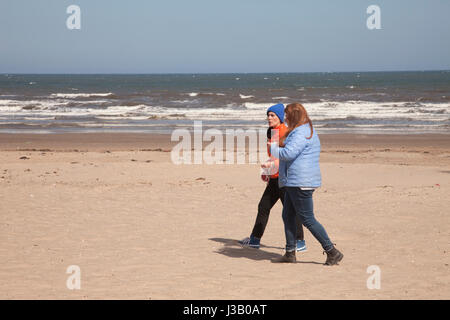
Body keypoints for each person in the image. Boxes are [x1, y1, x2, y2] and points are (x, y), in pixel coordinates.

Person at [269, 103, 343, 265]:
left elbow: (288, 154)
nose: (286, 118)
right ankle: (290, 253)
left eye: (287, 115)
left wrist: (273, 148)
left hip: (300, 182)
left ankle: (332, 251)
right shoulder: (304, 130)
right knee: (287, 215)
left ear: (294, 116)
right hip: (296, 181)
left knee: (307, 219)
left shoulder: (301, 132)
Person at [239, 103, 306, 251]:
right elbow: (274, 156)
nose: (269, 118)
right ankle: (254, 240)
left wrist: (272, 165)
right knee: (263, 206)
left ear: (280, 117)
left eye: (272, 115)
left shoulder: (285, 132)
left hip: (285, 179)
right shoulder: (272, 131)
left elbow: (286, 155)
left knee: (290, 210)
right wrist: (268, 172)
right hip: (275, 177)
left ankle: (300, 242)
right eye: (268, 115)